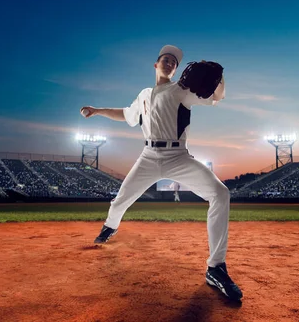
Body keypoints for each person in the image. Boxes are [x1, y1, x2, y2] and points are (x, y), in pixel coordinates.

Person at [80, 45, 242, 301]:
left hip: (177, 157)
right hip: (148, 157)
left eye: (174, 62)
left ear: (176, 69)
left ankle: (216, 267)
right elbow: (125, 114)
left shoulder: (182, 91)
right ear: (156, 65)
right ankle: (109, 227)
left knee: (220, 194)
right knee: (121, 200)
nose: (169, 63)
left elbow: (216, 98)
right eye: (165, 59)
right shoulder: (143, 95)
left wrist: (220, 78)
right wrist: (98, 110)